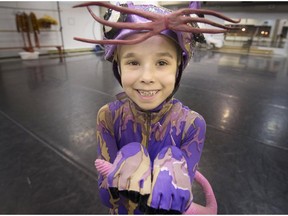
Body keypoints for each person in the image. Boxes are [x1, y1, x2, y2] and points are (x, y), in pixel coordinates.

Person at [73, 1, 239, 214]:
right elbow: (106, 198)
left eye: (161, 63)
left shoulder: (192, 125)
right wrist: (125, 161)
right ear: (118, 64)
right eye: (133, 62)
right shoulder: (108, 116)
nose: (147, 78)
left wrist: (174, 170)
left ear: (179, 64)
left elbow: (181, 201)